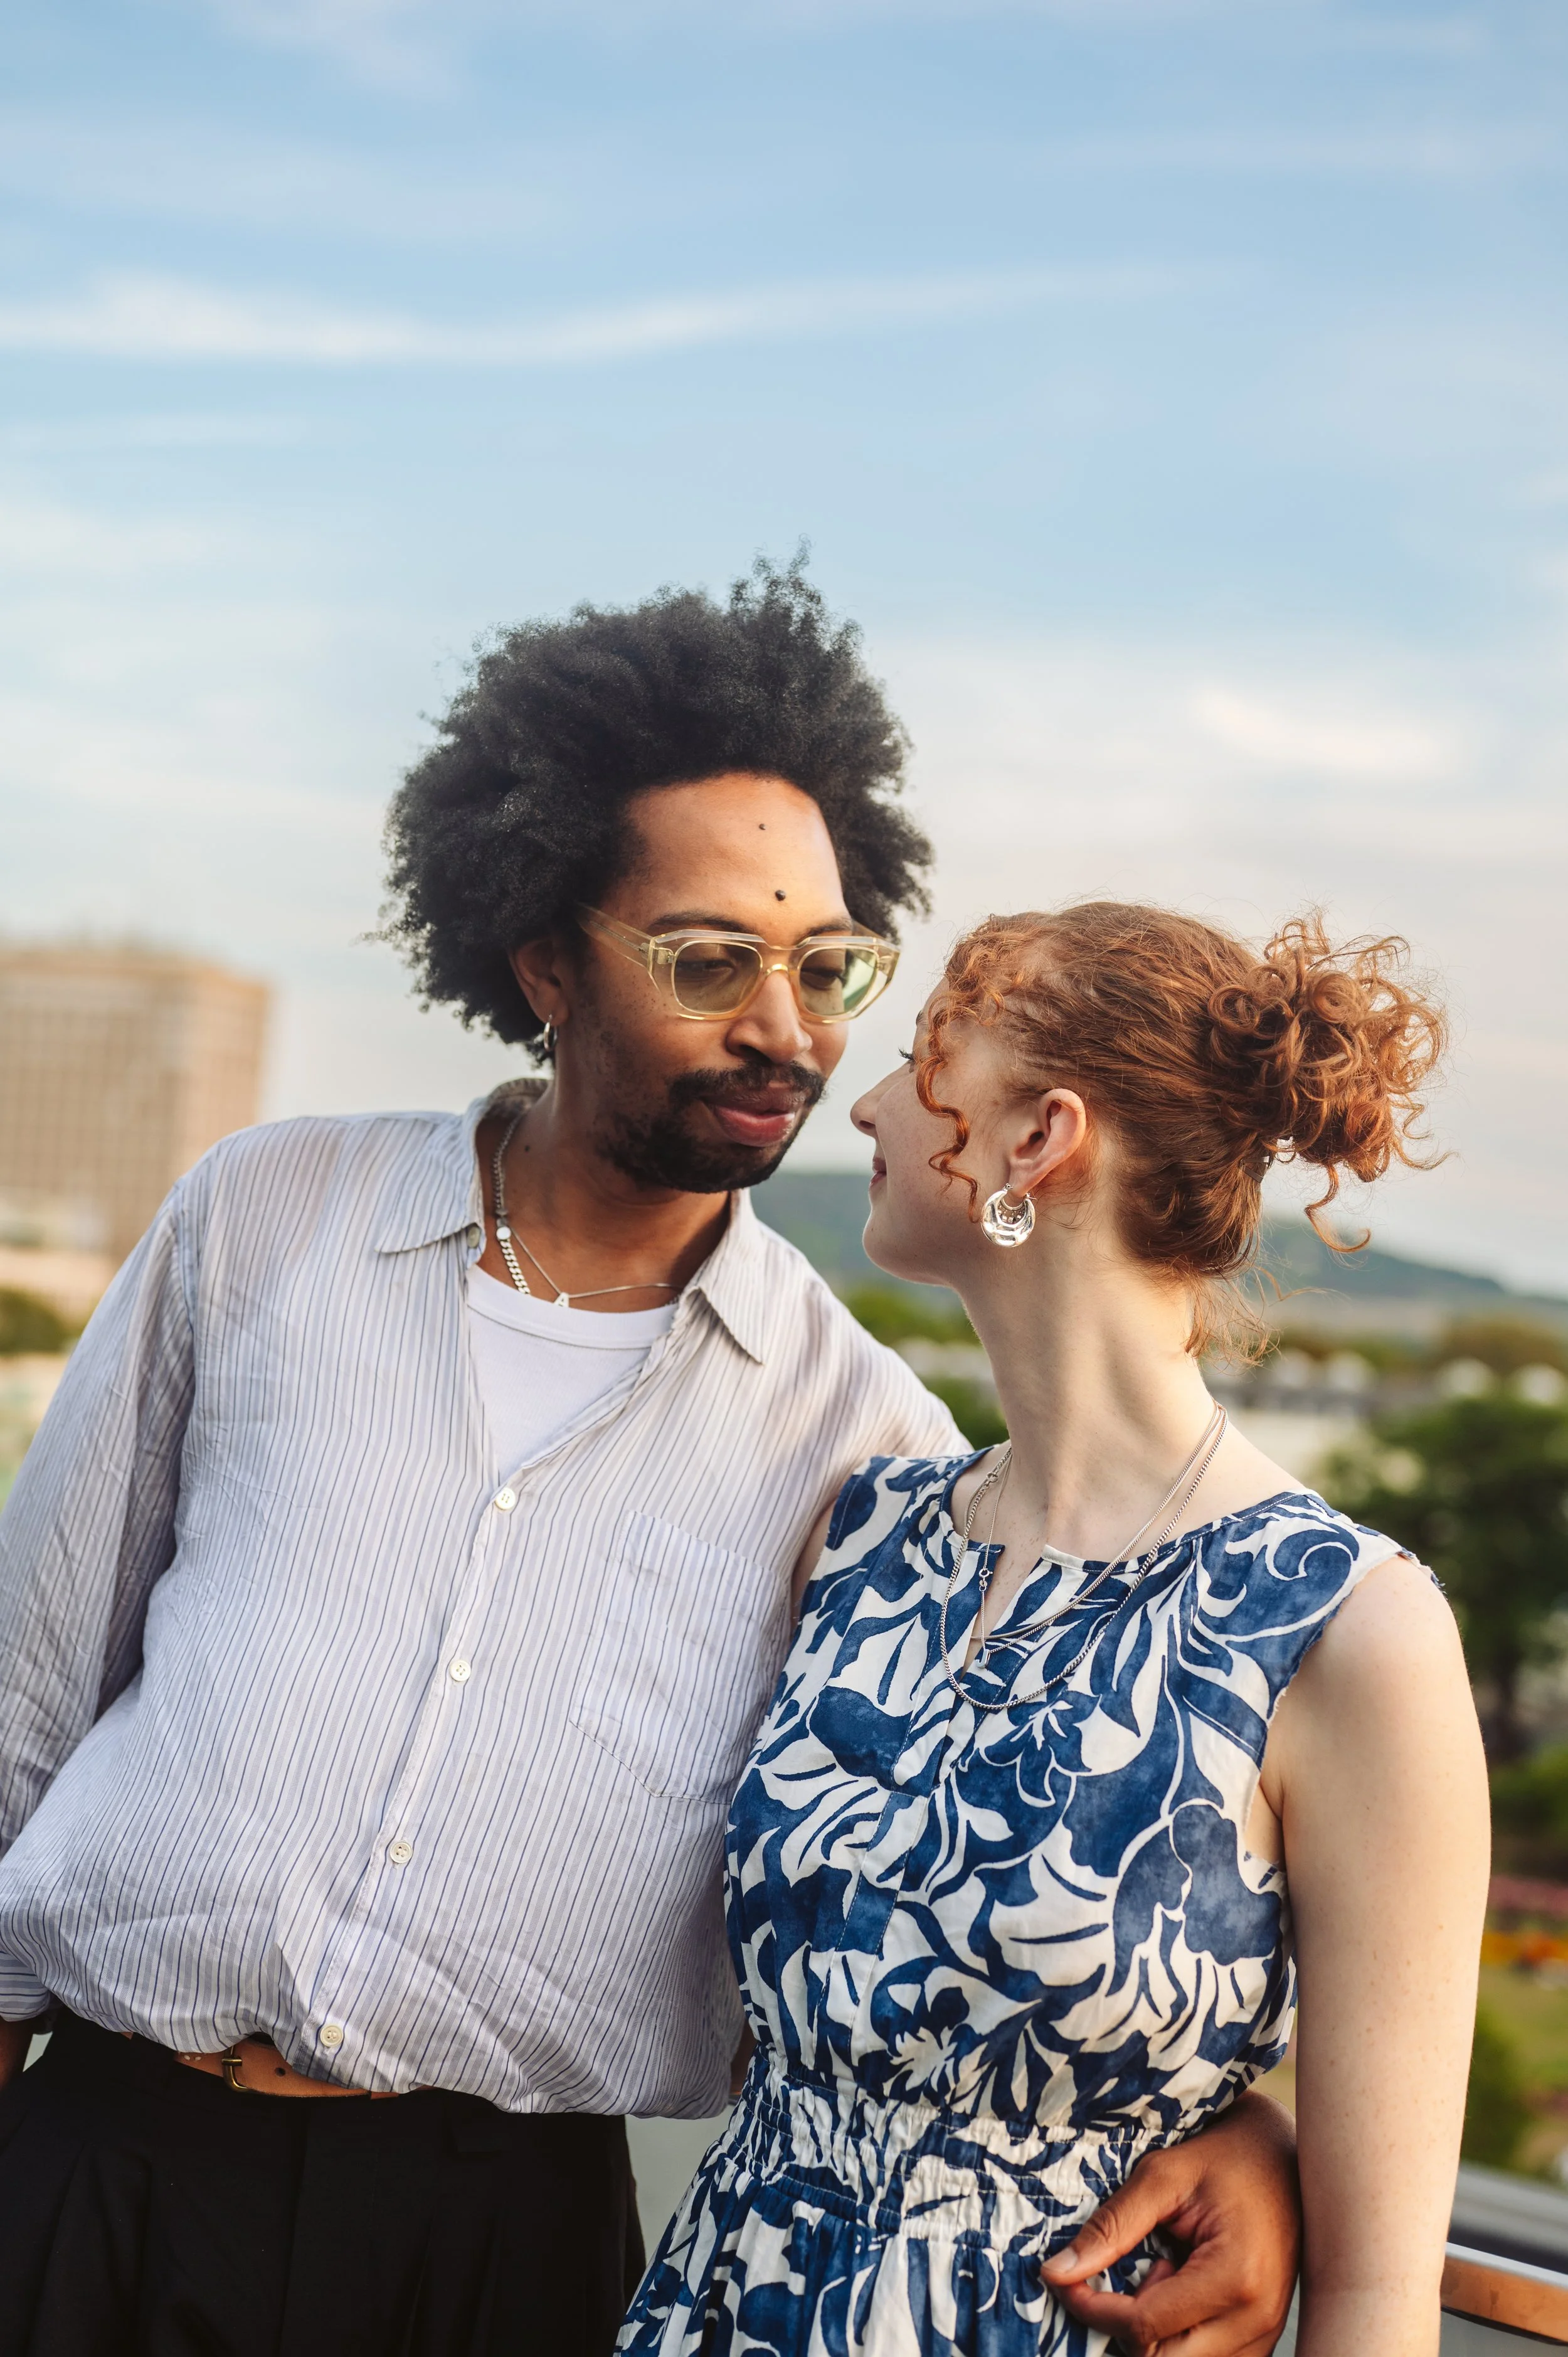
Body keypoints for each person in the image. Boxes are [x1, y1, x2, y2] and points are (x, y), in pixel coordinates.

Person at [0, 567, 1295, 2357]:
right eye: (709, 958)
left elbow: (964, 1896)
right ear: (542, 953)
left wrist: (1260, 2121)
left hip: (497, 2252)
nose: (792, 1025)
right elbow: (26, 1692)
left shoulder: (873, 1451)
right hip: (86, 2169)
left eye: (830, 965)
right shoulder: (259, 1218)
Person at [620, 901, 1490, 2357]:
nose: (875, 1100)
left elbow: (1373, 2296)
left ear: (1037, 1141)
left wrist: (1259, 2135)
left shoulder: (1347, 1631)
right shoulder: (857, 1536)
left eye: (922, 1060)